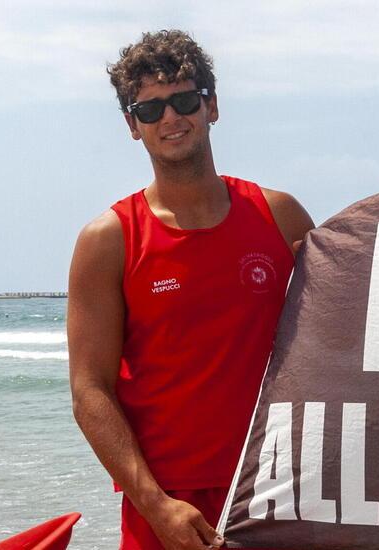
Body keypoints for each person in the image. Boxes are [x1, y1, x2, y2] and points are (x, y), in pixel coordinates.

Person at [68, 30, 314, 549]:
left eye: (184, 99)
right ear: (132, 125)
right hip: (169, 508)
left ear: (212, 107)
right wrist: (155, 505)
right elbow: (90, 391)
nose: (171, 119)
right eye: (150, 109)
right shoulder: (108, 241)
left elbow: (336, 341)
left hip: (279, 493)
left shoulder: (280, 216)